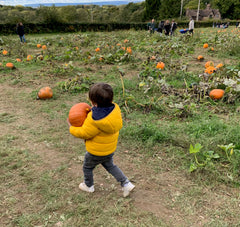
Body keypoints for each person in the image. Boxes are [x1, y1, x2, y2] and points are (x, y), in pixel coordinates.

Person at [67, 83, 135, 197]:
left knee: (87, 167)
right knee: (110, 166)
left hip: (95, 151)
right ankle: (126, 183)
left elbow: (85, 133)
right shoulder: (115, 109)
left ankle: (88, 186)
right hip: (109, 149)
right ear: (111, 99)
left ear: (93, 102)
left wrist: (71, 128)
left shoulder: (94, 119)